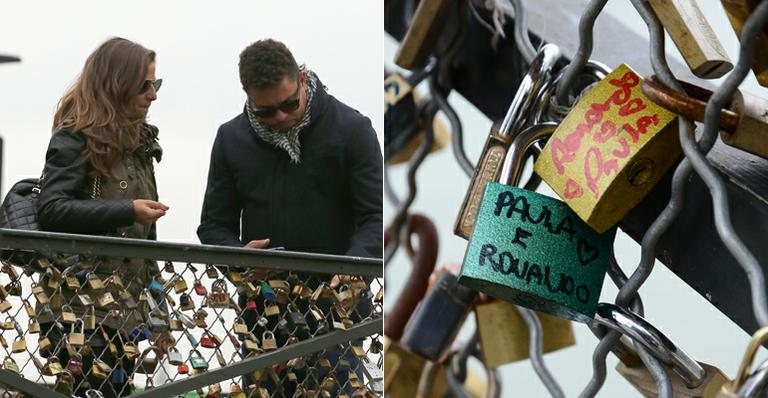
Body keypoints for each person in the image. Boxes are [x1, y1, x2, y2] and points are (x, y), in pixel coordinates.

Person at [197, 39, 382, 396]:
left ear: (301, 78)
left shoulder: (353, 129)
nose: (280, 117)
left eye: (289, 104)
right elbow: (212, 225)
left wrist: (353, 263)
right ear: (247, 94)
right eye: (267, 112)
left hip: (338, 305)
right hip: (264, 310)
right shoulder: (230, 138)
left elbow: (375, 216)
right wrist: (238, 257)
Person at [36, 37, 168, 398]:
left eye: (155, 84)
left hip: (123, 306)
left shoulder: (139, 143)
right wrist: (127, 210)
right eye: (144, 85)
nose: (153, 94)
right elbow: (52, 208)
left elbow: (146, 241)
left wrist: (160, 314)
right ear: (118, 84)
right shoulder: (75, 136)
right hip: (76, 306)